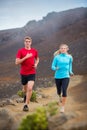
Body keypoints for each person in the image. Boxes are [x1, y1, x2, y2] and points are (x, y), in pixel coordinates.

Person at [15, 36, 39, 111]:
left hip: (32, 72)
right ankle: (25, 95)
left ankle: (26, 105)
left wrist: (36, 64)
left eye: (29, 41)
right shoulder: (20, 51)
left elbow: (37, 58)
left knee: (30, 88)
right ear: (24, 42)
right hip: (23, 73)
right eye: (26, 41)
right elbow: (16, 62)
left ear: (31, 42)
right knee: (25, 89)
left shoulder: (34, 51)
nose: (27, 43)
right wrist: (26, 57)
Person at [51, 44, 74, 113]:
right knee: (59, 91)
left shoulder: (69, 57)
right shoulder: (57, 57)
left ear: (67, 49)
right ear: (60, 50)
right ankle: (59, 95)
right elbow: (52, 66)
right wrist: (55, 68)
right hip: (57, 76)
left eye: (64, 48)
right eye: (62, 48)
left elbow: (70, 65)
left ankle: (62, 107)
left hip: (66, 76)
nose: (63, 49)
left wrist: (70, 71)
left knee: (64, 90)